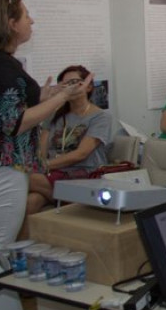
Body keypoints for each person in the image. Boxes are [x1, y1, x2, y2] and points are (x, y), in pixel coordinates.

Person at [0, 0, 90, 245]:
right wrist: (62, 97)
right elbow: (16, 123)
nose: (32, 21)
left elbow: (4, 106)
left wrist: (47, 94)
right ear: (11, 24)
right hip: (1, 168)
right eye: (26, 15)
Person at [26, 65, 113, 216]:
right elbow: (41, 150)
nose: (70, 87)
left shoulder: (100, 117)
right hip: (54, 172)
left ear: (88, 86)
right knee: (30, 202)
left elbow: (81, 154)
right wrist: (39, 164)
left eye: (74, 82)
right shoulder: (55, 114)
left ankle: (72, 199)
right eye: (65, 84)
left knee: (26, 178)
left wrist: (43, 166)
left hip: (84, 172)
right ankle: (70, 200)